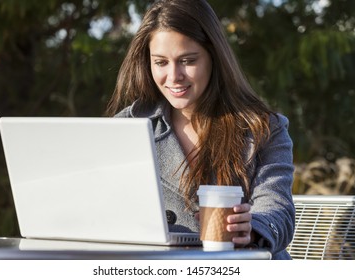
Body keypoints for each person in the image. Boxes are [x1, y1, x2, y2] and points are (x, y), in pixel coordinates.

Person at [106, 0, 295, 259]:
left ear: (213, 58)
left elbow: (277, 209)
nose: (173, 76)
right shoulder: (128, 127)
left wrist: (252, 229)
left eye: (187, 60)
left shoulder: (262, 128)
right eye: (161, 62)